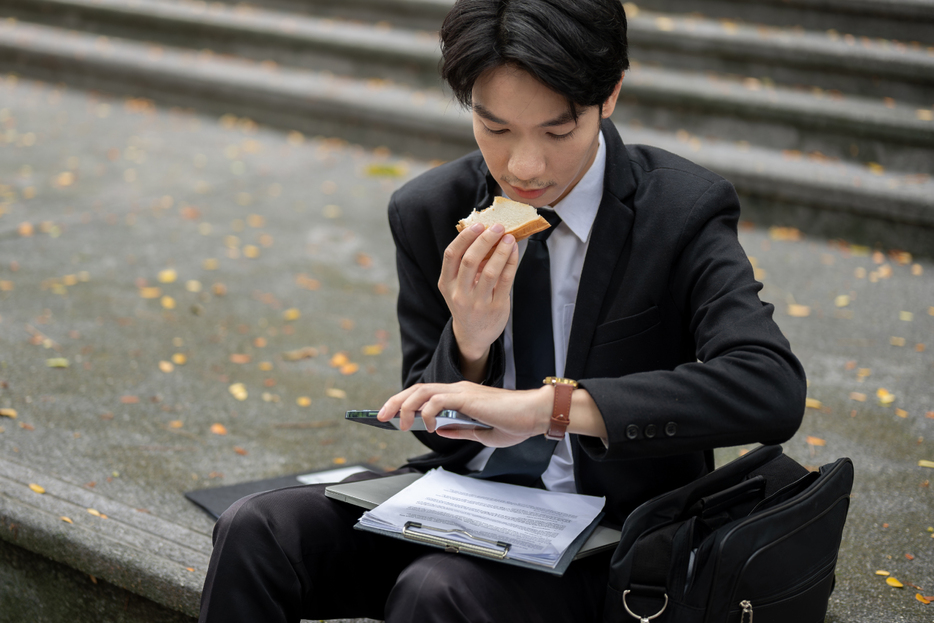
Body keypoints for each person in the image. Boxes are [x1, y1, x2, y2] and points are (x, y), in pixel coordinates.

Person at [198, 0, 806, 621]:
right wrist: (470, 342)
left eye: (558, 131)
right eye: (495, 129)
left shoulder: (678, 210)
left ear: (611, 93)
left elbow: (771, 385)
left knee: (437, 590)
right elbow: (431, 417)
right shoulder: (432, 209)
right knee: (255, 531)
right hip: (463, 500)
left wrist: (550, 409)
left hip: (612, 536)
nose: (524, 167)